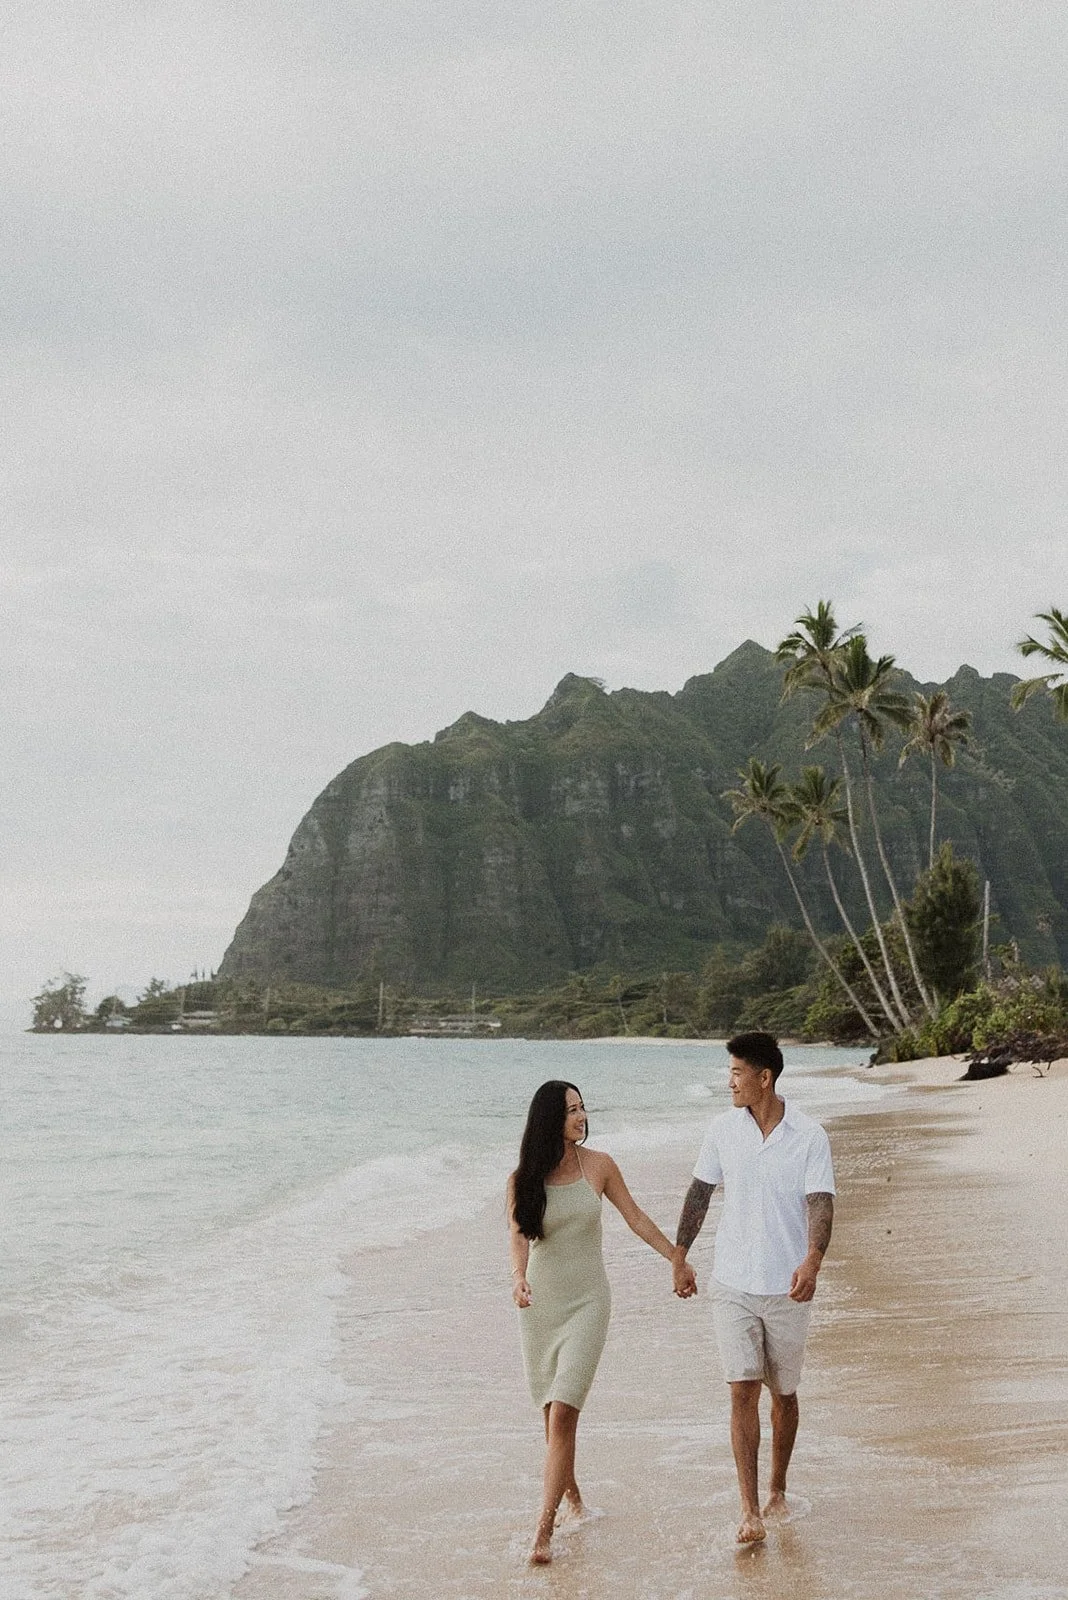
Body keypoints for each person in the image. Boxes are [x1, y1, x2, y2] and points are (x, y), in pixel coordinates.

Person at [671, 1031, 835, 1548]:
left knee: (783, 1392)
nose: (730, 1082)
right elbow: (699, 1194)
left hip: (787, 1286)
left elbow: (821, 1202)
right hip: (733, 1283)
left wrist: (812, 1260)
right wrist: (680, 1255)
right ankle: (748, 1509)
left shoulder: (809, 1135)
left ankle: (777, 1488)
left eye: (737, 1073)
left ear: (765, 1078)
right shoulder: (722, 1129)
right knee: (741, 1388)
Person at [508, 1079, 677, 1565]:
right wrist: (517, 1278)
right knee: (550, 1414)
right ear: (549, 1119)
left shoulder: (599, 1166)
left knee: (564, 1412)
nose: (581, 1117)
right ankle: (573, 1498)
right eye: (571, 1111)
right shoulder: (523, 1179)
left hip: (588, 1303)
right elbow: (518, 1235)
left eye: (582, 1108)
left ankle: (543, 1532)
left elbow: (635, 1217)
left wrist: (675, 1258)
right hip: (541, 1307)